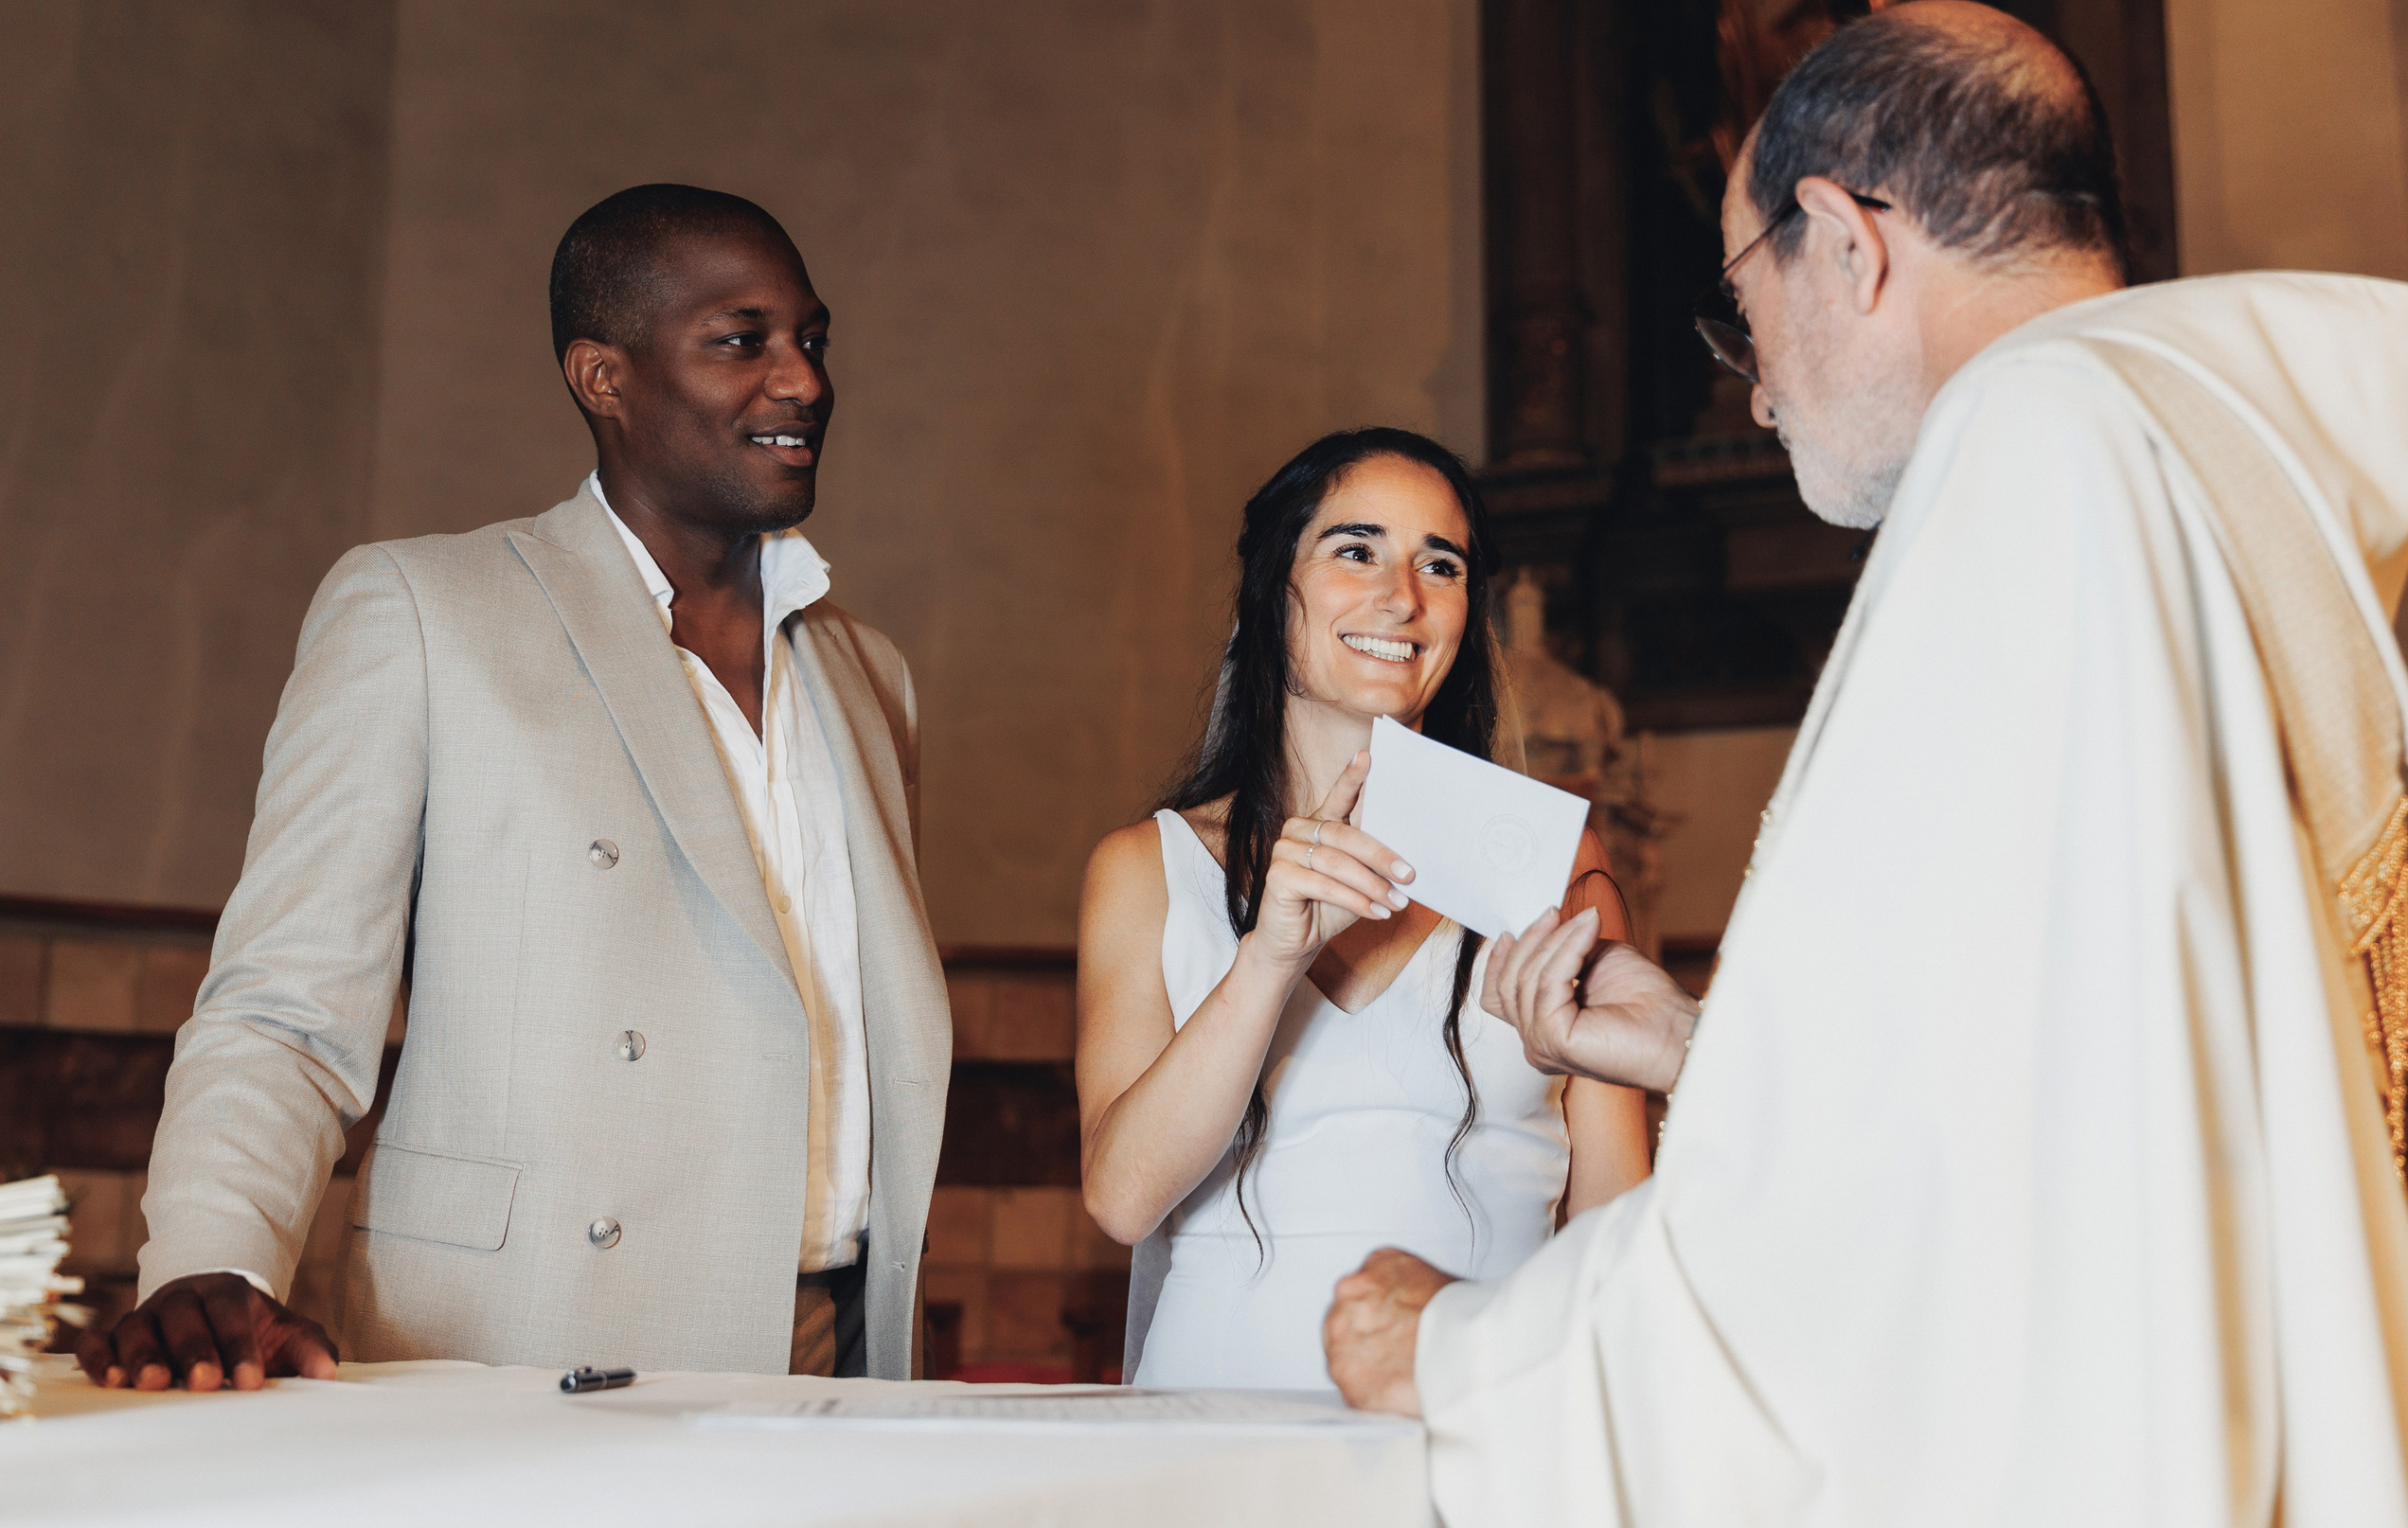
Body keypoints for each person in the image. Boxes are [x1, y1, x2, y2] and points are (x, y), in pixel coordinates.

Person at [1324, 7, 2408, 1528]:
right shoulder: (2198, 445)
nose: (1755, 393)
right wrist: (1715, 1047)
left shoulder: (2038, 458)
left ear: (1843, 238)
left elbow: (1871, 1266)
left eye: (1742, 308)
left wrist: (1470, 1350)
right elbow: (2070, 1082)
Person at [77, 185, 950, 1390]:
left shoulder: (869, 676)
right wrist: (210, 1263)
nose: (800, 380)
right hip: (524, 1338)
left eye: (811, 340)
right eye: (742, 341)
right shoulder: (427, 612)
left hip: (837, 1353)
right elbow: (284, 1007)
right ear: (605, 376)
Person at [1078, 427, 1651, 1391]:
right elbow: (1123, 1197)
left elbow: (1613, 1220)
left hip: (1478, 1413)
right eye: (1356, 550)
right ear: (1274, 588)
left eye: (1442, 563)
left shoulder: (1556, 864)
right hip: (1216, 1421)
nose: (1403, 595)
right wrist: (1266, 960)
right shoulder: (1147, 867)